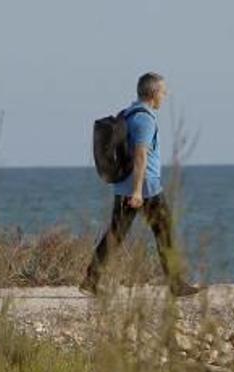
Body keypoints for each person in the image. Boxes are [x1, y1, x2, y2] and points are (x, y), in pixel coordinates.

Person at [81, 72, 202, 297]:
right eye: (164, 92)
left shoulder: (129, 113)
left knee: (116, 234)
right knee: (164, 231)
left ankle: (91, 279)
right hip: (145, 187)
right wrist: (137, 192)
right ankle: (175, 284)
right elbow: (140, 155)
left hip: (126, 185)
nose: (165, 96)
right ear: (154, 93)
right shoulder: (144, 119)